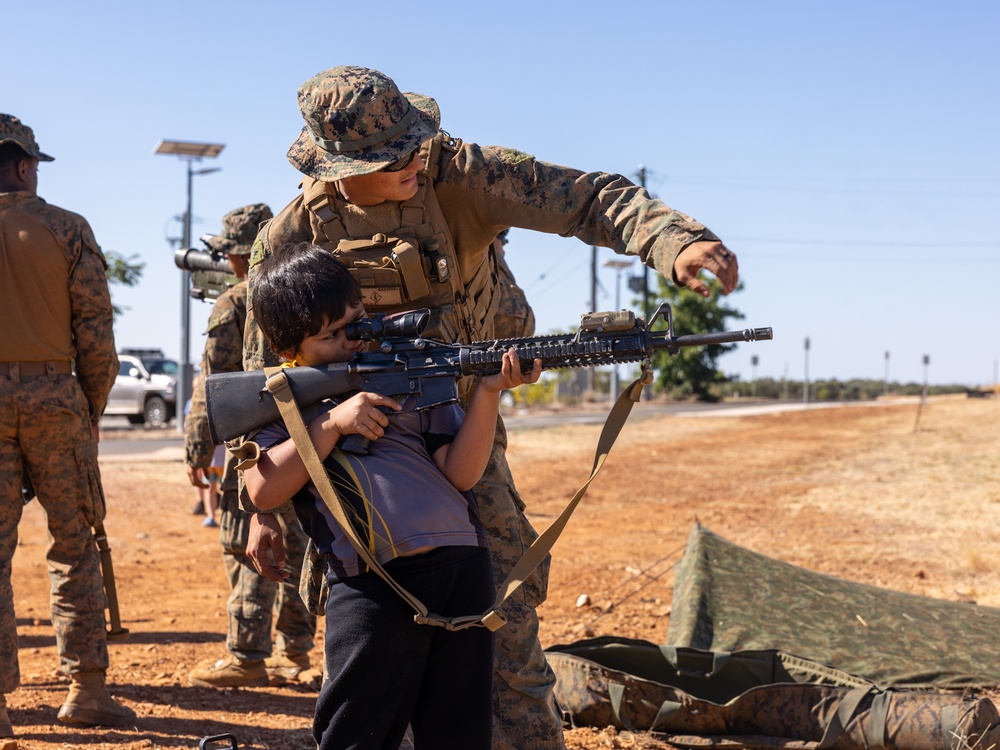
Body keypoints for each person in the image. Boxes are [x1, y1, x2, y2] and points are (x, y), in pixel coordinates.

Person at [241, 66, 739, 750]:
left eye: (416, 143)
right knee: (373, 636)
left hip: (458, 426)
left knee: (501, 609)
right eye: (393, 158)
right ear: (339, 165)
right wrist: (261, 516)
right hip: (342, 464)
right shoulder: (292, 235)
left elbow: (587, 197)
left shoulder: (459, 174)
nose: (416, 159)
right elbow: (261, 390)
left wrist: (670, 240)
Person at [244, 242, 541, 749]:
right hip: (372, 587)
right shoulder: (281, 398)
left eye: (357, 320)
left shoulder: (405, 368)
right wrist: (334, 422)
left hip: (462, 569)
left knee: (458, 735)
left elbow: (461, 474)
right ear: (286, 349)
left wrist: (488, 392)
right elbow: (265, 488)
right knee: (358, 734)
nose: (353, 340)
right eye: (330, 335)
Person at [0, 114, 136, 740]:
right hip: (56, 396)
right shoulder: (66, 228)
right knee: (74, 545)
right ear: (27, 164)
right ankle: (85, 688)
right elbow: (96, 337)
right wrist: (90, 409)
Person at [183, 204, 318, 688]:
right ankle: (295, 651)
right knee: (299, 542)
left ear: (237, 254)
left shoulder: (235, 300)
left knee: (247, 544)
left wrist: (198, 448)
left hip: (254, 447)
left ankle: (246, 654)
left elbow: (213, 388)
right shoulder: (303, 288)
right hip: (304, 442)